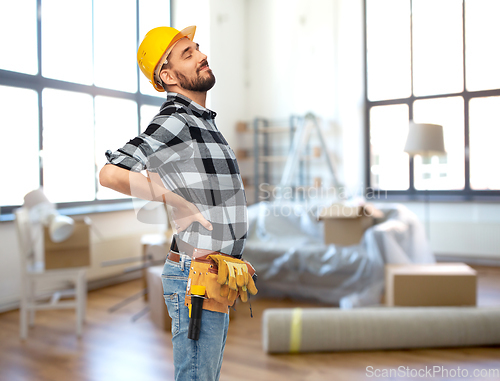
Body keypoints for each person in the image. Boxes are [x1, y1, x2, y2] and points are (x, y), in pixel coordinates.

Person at [99, 25, 253, 381]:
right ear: (167, 76)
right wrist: (175, 200)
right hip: (193, 277)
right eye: (188, 54)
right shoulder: (175, 119)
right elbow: (110, 173)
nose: (202, 56)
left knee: (204, 374)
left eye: (198, 49)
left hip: (215, 271)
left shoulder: (203, 122)